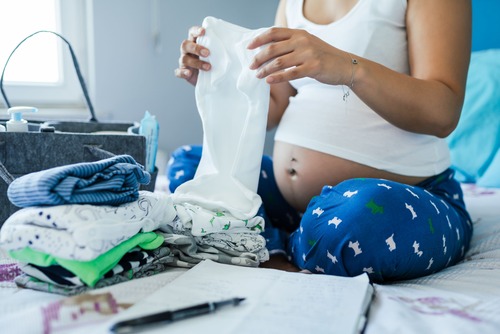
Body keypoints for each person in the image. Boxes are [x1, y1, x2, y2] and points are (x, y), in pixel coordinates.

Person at [171, 0, 473, 282]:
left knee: (359, 220)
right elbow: (275, 104)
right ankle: (291, 244)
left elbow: (442, 113)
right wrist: (218, 80)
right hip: (296, 206)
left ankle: (263, 240)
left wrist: (345, 66)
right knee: (188, 166)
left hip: (405, 197)